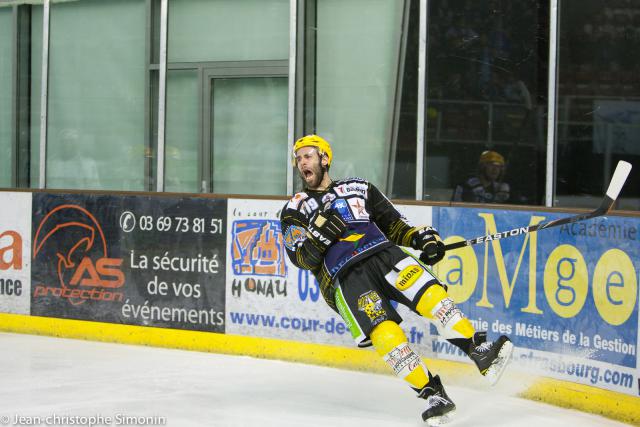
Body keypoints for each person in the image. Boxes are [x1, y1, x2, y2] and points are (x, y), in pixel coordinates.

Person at [280, 135, 514, 425]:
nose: (302, 162)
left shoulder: (359, 187)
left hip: (384, 254)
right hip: (345, 276)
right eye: (298, 158)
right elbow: (300, 258)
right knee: (386, 335)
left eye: (307, 156)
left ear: (324, 159)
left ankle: (480, 351)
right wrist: (322, 237)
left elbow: (393, 224)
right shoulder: (294, 209)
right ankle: (434, 395)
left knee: (433, 297)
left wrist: (420, 239)